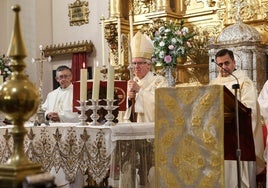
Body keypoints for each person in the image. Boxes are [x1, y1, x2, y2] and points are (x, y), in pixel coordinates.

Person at [210, 48, 265, 187]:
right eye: (220, 65)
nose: (223, 67)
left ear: (234, 62)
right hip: (218, 137)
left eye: (226, 63)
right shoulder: (213, 84)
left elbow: (249, 109)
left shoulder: (244, 82)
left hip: (239, 136)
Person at [123, 31, 168, 123]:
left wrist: (139, 91)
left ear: (149, 65)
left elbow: (163, 106)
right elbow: (124, 112)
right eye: (134, 63)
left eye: (139, 63)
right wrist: (128, 99)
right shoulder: (131, 82)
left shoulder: (160, 81)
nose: (136, 66)